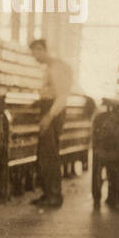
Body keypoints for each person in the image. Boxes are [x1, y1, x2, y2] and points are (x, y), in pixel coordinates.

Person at [29, 38, 74, 208]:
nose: (35, 58)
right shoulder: (50, 67)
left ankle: (54, 196)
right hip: (49, 109)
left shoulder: (57, 68)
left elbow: (62, 96)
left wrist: (49, 116)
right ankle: (48, 193)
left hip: (54, 113)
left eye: (35, 54)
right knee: (44, 154)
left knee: (50, 155)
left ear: (41, 50)